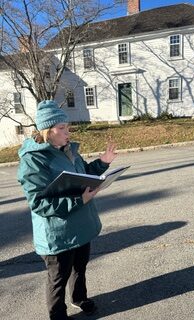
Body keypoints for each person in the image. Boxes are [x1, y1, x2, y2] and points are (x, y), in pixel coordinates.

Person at [17, 100, 117, 320]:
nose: (67, 132)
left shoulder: (70, 150)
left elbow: (83, 175)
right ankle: (57, 315)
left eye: (67, 127)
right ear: (46, 131)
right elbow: (39, 203)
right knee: (58, 277)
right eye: (61, 128)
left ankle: (79, 298)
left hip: (80, 226)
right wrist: (78, 201)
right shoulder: (33, 160)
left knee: (80, 267)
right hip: (57, 232)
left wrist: (102, 163)